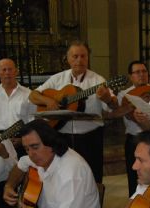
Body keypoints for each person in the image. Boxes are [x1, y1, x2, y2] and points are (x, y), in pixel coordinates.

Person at [29, 40, 115, 183]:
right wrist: (48, 101)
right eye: (75, 56)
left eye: (83, 56)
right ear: (68, 58)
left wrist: (107, 99)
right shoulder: (58, 78)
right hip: (61, 136)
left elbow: (112, 105)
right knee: (63, 176)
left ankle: (93, 204)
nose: (79, 60)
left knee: (92, 176)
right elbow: (33, 95)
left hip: (90, 138)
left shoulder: (98, 80)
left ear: (88, 58)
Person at [105, 60, 150, 196]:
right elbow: (113, 114)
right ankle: (134, 207)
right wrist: (132, 105)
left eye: (144, 71)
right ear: (131, 76)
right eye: (137, 72)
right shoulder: (124, 95)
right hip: (133, 139)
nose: (141, 75)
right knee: (134, 178)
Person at [0, 58, 36, 156]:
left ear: (16, 72)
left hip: (22, 140)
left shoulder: (28, 94)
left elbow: (33, 120)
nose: (7, 72)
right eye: (4, 70)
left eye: (10, 69)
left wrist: (23, 139)